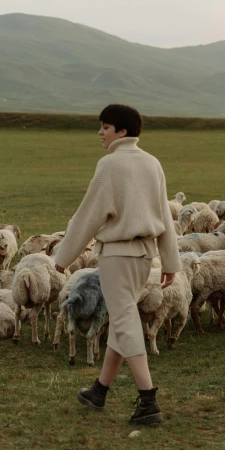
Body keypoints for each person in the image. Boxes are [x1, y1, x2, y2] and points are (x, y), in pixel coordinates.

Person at [52, 104, 181, 425]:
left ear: (122, 131)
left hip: (117, 255)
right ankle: (99, 390)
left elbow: (88, 214)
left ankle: (148, 400)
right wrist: (170, 261)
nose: (100, 133)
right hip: (144, 256)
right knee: (123, 319)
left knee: (124, 321)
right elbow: (165, 215)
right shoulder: (152, 163)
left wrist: (63, 257)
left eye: (105, 127)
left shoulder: (110, 165)